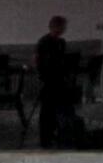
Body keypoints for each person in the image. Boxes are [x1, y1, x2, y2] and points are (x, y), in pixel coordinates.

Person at [34, 14, 80, 148]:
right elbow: (42, 62)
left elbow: (62, 61)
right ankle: (46, 138)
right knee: (47, 111)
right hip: (48, 80)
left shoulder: (61, 42)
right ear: (54, 27)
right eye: (62, 27)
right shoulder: (44, 42)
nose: (63, 29)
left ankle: (59, 134)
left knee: (59, 109)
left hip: (60, 80)